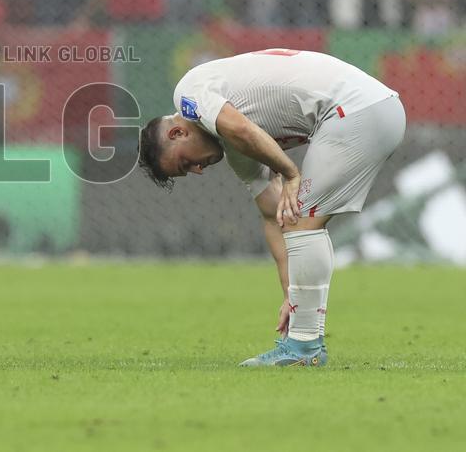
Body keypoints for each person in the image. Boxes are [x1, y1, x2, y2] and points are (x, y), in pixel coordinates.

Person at [138, 49, 405, 367]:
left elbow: (241, 129)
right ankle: (306, 342)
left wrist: (291, 173)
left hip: (355, 111)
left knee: (301, 219)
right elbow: (271, 213)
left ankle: (304, 349)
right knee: (295, 218)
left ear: (177, 132)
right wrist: (292, 298)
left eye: (184, 163)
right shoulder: (237, 145)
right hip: (372, 108)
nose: (197, 170)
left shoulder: (188, 94)